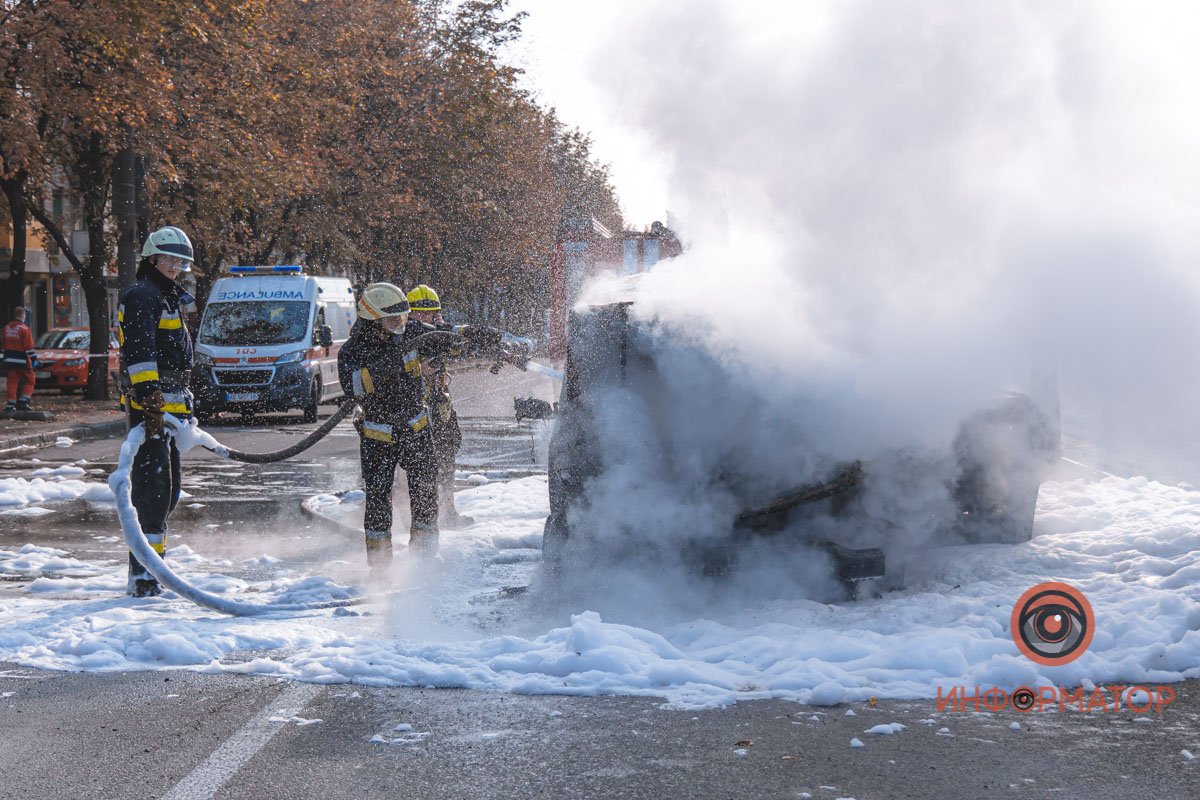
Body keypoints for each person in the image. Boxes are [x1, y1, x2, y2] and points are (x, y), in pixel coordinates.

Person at [338, 283, 495, 570]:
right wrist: (387, 366)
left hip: (415, 428)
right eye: (392, 321)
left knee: (425, 492)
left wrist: (472, 334)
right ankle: (380, 566)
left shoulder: (411, 332)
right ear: (372, 321)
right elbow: (353, 386)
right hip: (378, 434)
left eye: (402, 319)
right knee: (378, 500)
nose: (400, 326)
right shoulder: (352, 351)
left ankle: (424, 560)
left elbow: (442, 337)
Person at [117, 225, 196, 597]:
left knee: (168, 492)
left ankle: (154, 567)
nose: (175, 266)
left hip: (167, 409)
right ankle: (144, 576)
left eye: (181, 261)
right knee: (152, 494)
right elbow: (140, 352)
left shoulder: (165, 295)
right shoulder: (144, 295)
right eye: (168, 259)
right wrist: (149, 400)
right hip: (151, 411)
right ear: (152, 258)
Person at [406, 284, 472, 528]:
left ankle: (449, 512)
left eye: (432, 313)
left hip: (440, 406)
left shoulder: (439, 334)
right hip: (414, 409)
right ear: (409, 313)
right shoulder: (402, 337)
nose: (426, 318)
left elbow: (458, 347)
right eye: (420, 314)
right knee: (418, 466)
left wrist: (444, 328)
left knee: (446, 461)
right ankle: (413, 517)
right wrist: (420, 369)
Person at [2, 306, 37, 416]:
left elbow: (3, 346)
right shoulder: (25, 329)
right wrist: (34, 359)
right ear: (23, 316)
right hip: (22, 361)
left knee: (12, 382)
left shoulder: (6, 328)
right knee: (31, 380)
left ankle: (10, 405)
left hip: (9, 361)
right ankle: (23, 402)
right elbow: (29, 348)